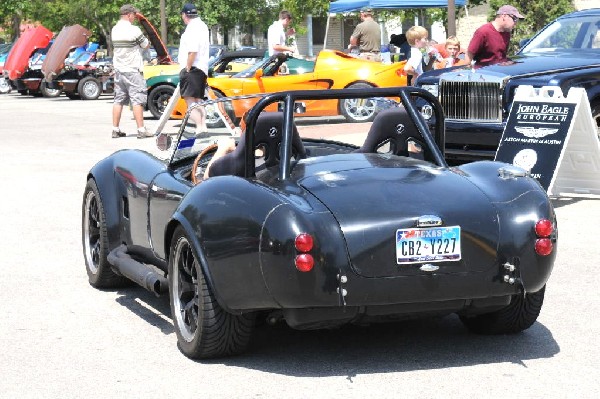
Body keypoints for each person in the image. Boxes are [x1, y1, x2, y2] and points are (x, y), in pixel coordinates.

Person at [111, 4, 152, 139]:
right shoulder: (134, 30)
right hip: (133, 70)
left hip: (119, 70)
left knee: (118, 100)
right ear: (129, 15)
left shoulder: (114, 29)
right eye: (134, 15)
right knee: (137, 99)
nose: (134, 17)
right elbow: (145, 45)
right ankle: (141, 130)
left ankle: (115, 129)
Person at [178, 3, 210, 135]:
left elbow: (192, 51)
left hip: (192, 68)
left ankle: (199, 127)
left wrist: (187, 67)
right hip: (202, 68)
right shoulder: (202, 26)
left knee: (190, 100)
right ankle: (203, 127)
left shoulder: (191, 28)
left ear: (185, 15)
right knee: (199, 100)